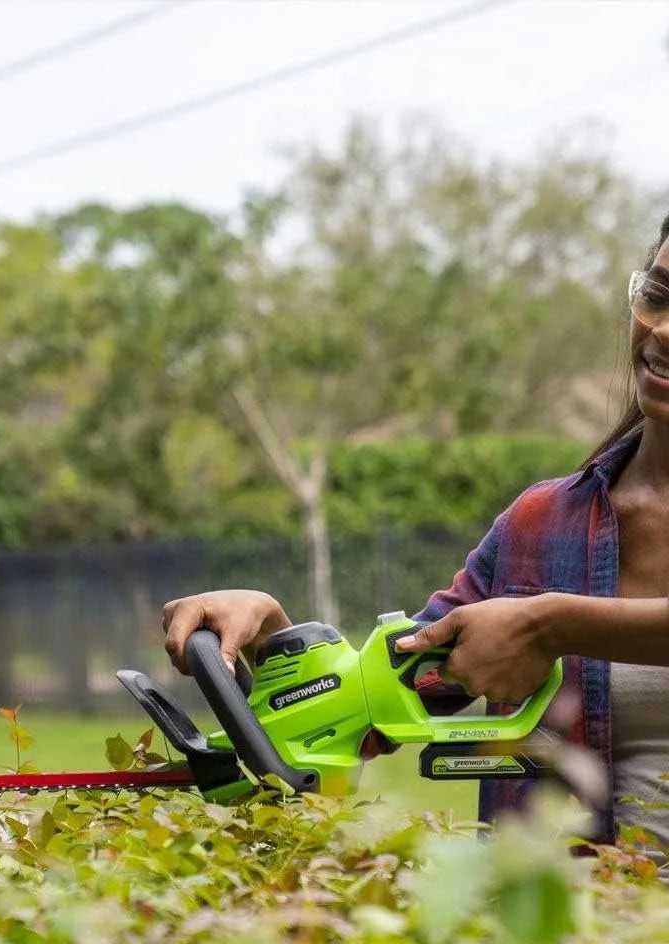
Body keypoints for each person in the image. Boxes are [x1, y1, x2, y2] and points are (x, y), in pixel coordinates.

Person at [162, 210, 669, 849]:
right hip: (557, 932)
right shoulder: (542, 526)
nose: (664, 330)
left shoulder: (547, 610)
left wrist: (551, 624)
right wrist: (279, 638)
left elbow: (545, 624)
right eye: (658, 295)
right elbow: (401, 686)